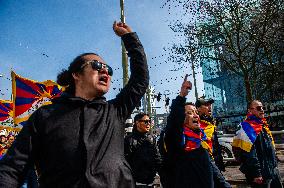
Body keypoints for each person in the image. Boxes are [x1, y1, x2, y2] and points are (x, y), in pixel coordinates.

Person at [0, 21, 149, 188]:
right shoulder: (45, 117)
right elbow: (12, 169)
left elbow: (140, 80)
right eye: (97, 65)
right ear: (76, 74)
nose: (105, 71)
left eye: (109, 69)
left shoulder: (115, 110)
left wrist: (129, 38)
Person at [163, 75, 214, 188]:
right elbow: (174, 121)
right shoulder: (178, 140)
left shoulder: (202, 140)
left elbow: (213, 171)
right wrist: (182, 96)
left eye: (196, 112)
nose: (195, 115)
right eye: (190, 113)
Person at [232, 100, 283, 188]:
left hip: (272, 170)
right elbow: (249, 155)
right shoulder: (246, 127)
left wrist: (275, 163)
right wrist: (256, 174)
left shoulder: (262, 125)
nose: (262, 110)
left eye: (263, 107)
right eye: (259, 108)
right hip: (261, 174)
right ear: (250, 111)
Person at [196, 98, 231, 188]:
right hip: (207, 165)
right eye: (206, 105)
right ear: (198, 109)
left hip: (216, 162)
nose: (210, 107)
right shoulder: (196, 124)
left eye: (210, 104)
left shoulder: (210, 122)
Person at [124, 112, 161, 187]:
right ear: (137, 123)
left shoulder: (152, 139)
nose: (148, 124)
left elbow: (157, 159)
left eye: (149, 121)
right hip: (135, 183)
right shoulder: (128, 140)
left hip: (151, 183)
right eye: (146, 121)